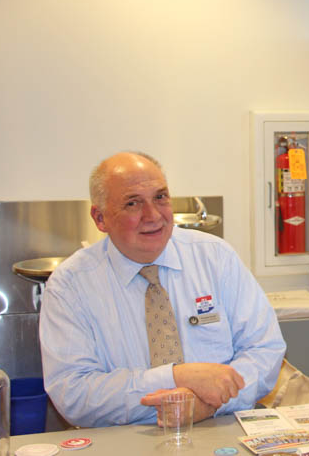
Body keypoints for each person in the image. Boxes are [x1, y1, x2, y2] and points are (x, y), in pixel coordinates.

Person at [40, 151, 286, 427]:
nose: (153, 215)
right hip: (123, 442)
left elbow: (264, 350)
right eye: (133, 203)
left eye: (160, 197)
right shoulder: (70, 286)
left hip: (219, 427)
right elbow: (73, 394)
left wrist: (205, 404)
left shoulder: (215, 257)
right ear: (100, 218)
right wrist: (176, 378)